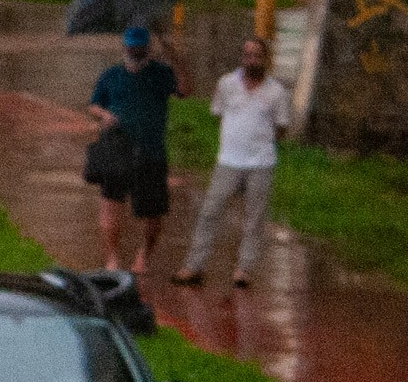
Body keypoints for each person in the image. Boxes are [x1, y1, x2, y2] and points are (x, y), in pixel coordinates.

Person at [175, 34, 292, 289]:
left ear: (266, 60)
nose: (252, 60)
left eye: (257, 56)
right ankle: (194, 265)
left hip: (260, 163)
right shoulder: (226, 84)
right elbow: (218, 114)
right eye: (247, 55)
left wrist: (261, 139)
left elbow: (281, 128)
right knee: (209, 212)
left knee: (255, 217)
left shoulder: (276, 92)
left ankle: (244, 268)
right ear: (242, 57)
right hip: (228, 160)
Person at [88, 22, 178, 275]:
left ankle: (144, 255)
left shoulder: (161, 74)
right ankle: (112, 259)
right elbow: (93, 105)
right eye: (132, 48)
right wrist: (104, 115)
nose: (135, 53)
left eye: (140, 49)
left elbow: (185, 89)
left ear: (148, 49)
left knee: (153, 213)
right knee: (110, 204)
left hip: (151, 152)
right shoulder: (111, 75)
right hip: (117, 151)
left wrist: (176, 57)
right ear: (125, 47)